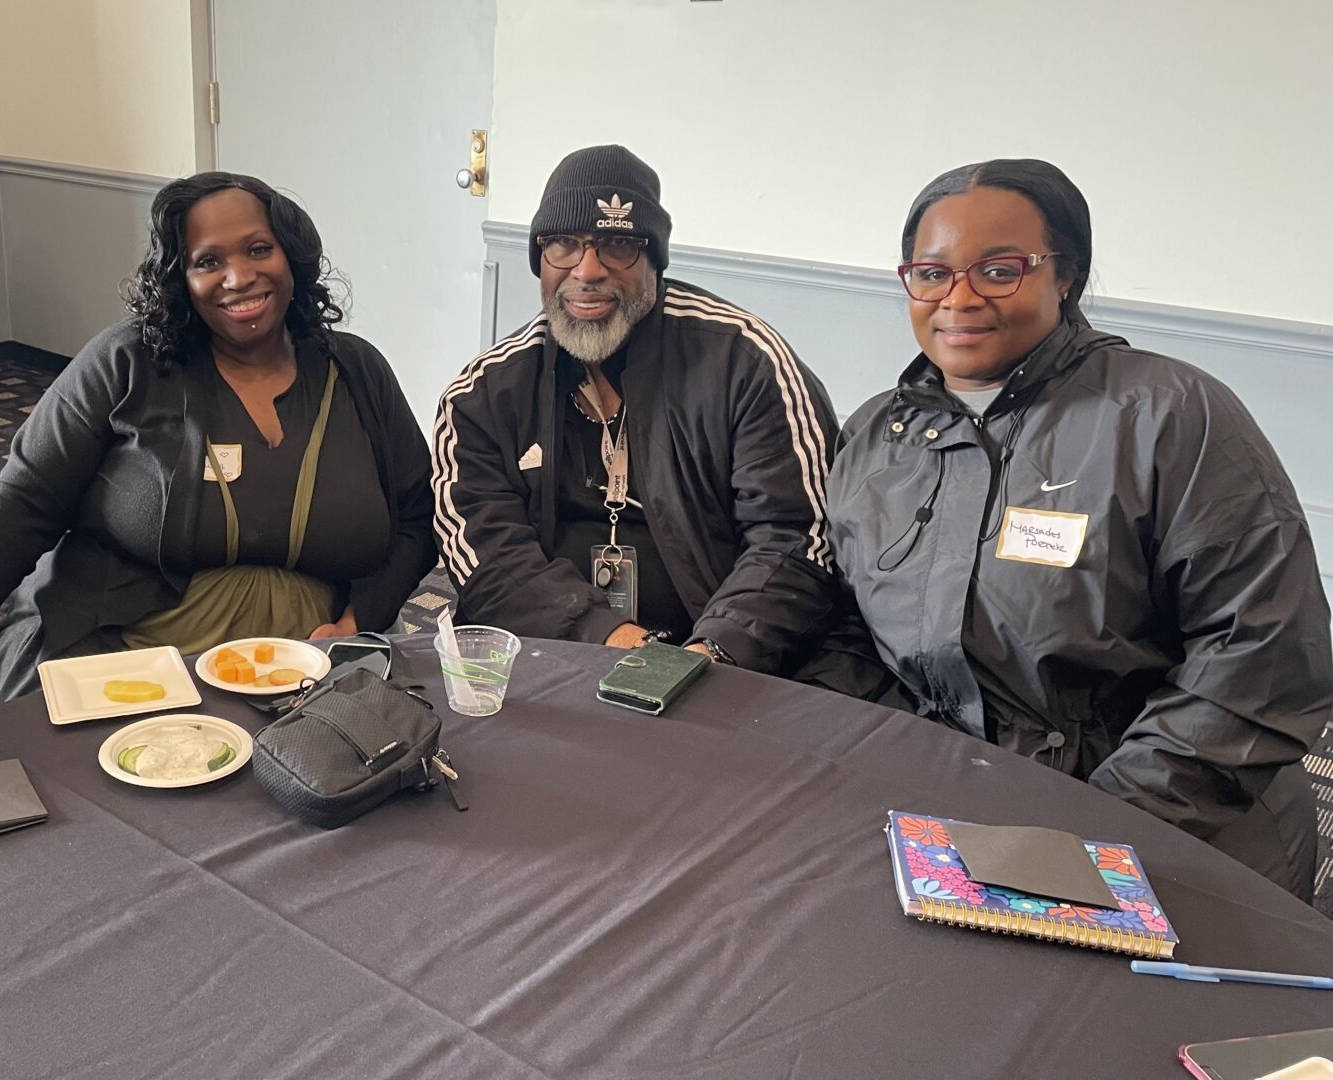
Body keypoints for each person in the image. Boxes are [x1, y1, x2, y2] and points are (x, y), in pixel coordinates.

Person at [827, 159, 1330, 898]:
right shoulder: (877, 435)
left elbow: (1265, 654)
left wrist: (1091, 826)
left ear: (1066, 275)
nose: (958, 299)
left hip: (1170, 822)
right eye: (932, 273)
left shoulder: (1169, 414)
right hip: (955, 816)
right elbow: (848, 632)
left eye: (999, 270)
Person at [0, 172, 435, 705]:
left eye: (259, 249)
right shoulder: (126, 362)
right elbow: (21, 504)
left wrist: (359, 618)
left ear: (292, 258)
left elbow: (419, 516)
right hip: (129, 650)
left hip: (307, 660)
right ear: (179, 277)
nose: (239, 277)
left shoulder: (356, 370)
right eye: (208, 261)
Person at [432, 145, 841, 673]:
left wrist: (706, 656)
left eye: (617, 244)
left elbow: (796, 538)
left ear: (654, 258)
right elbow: (487, 556)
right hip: (552, 654)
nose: (588, 269)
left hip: (726, 662)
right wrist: (613, 639)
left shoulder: (745, 363)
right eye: (563, 244)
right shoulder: (484, 394)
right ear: (539, 258)